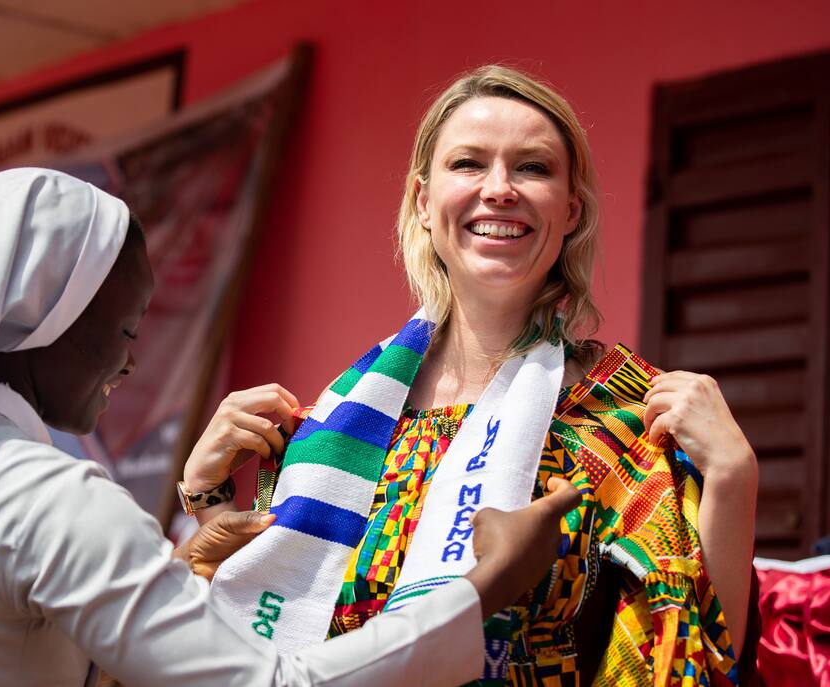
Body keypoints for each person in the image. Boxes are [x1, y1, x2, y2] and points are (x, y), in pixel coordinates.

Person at [0, 167, 581, 687]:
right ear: (47, 316)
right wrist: (483, 587)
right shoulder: (46, 500)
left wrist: (186, 564)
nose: (131, 361)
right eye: (124, 326)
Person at [187, 66, 759, 686]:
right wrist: (208, 500)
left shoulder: (626, 413)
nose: (500, 189)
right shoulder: (343, 423)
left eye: (533, 168)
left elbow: (696, 653)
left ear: (570, 210)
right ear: (423, 202)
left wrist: (733, 476)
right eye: (468, 164)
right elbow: (273, 623)